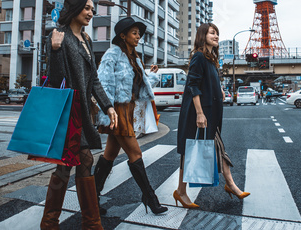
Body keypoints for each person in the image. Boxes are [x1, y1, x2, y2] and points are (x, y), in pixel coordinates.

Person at [41, 0, 118, 230]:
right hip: (67, 113)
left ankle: (88, 223)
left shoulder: (86, 39)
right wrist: (54, 51)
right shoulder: (58, 36)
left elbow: (94, 79)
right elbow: (56, 82)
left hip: (83, 113)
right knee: (69, 164)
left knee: (81, 161)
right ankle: (55, 222)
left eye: (92, 9)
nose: (91, 13)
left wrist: (108, 106)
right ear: (74, 8)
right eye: (87, 8)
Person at [94, 17, 168, 215]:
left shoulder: (133, 57)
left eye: (139, 34)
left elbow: (137, 84)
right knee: (135, 154)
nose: (138, 37)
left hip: (127, 110)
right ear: (122, 35)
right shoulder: (112, 55)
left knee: (109, 155)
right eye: (134, 33)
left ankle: (92, 197)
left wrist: (150, 75)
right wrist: (106, 113)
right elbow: (103, 84)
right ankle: (150, 198)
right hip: (116, 111)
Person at [174, 23, 250, 209]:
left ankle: (182, 191)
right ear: (203, 35)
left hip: (210, 113)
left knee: (200, 149)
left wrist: (220, 89)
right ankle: (228, 185)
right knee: (194, 150)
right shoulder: (199, 56)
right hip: (199, 114)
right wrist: (199, 114)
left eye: (217, 33)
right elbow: (193, 86)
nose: (216, 36)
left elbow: (207, 81)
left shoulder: (210, 58)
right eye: (212, 33)